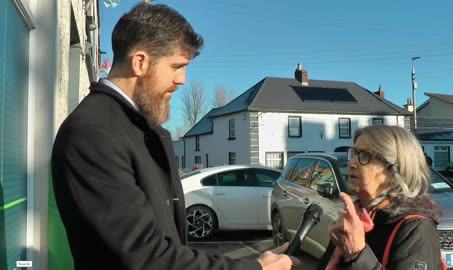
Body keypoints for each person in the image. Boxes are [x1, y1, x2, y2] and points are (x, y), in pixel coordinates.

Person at [51, 4, 299, 270]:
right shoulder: (93, 133)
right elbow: (145, 257)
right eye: (176, 66)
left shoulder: (134, 127)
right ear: (140, 62)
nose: (182, 80)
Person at [327, 125, 444, 269]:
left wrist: (357, 255)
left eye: (364, 155)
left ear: (394, 169)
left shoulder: (415, 229)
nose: (351, 163)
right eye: (354, 153)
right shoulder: (355, 219)